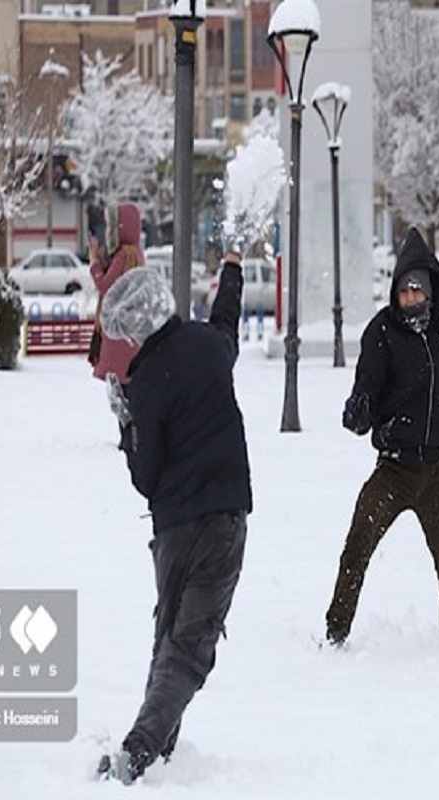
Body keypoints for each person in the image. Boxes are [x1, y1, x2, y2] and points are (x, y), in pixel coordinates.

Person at [97, 252, 251, 785]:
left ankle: (153, 749)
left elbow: (146, 474)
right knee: (191, 645)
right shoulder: (210, 347)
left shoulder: (146, 383)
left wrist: (128, 424)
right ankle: (142, 751)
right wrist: (232, 267)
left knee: (170, 638)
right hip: (225, 517)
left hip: (175, 529)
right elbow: (227, 323)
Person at [325, 227, 439, 647]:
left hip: (436, 472)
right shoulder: (382, 332)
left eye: (417, 291)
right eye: (403, 292)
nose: (410, 299)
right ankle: (335, 632)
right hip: (393, 470)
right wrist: (358, 412)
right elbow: (365, 389)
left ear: (429, 292)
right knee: (357, 546)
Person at [89, 202, 145, 384]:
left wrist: (94, 262)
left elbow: (105, 285)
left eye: (111, 226)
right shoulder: (136, 254)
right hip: (130, 332)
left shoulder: (123, 255)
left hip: (118, 336)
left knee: (117, 388)